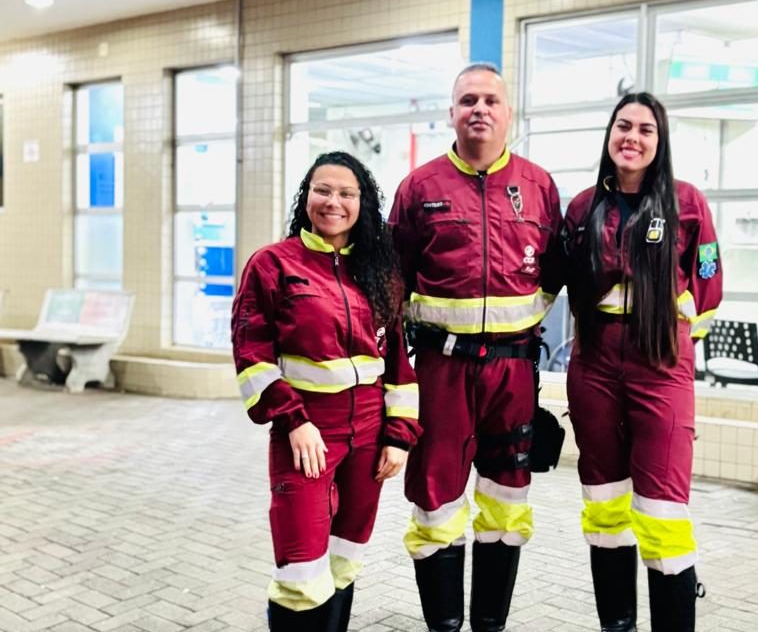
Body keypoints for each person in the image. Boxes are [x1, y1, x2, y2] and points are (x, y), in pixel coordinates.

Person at [388, 63, 562, 632]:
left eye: (490, 100)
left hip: (513, 373)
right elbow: (392, 284)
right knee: (435, 496)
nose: (479, 109)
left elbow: (556, 272)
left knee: (507, 498)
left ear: (509, 113)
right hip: (441, 369)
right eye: (468, 101)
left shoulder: (539, 186)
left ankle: (490, 624)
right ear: (452, 113)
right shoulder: (419, 189)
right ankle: (443, 625)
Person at [231, 151, 421, 631]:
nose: (333, 202)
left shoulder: (380, 272)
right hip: (309, 434)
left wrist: (399, 434)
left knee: (343, 559)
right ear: (306, 196)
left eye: (346, 193)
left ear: (363, 203)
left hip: (370, 436)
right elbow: (252, 355)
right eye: (323, 190)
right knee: (300, 569)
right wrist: (293, 422)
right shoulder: (272, 264)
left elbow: (395, 359)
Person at [562, 92, 722, 632]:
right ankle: (617, 626)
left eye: (645, 129)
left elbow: (709, 276)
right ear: (610, 134)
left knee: (661, 508)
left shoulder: (688, 202)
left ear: (660, 140)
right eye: (623, 125)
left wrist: (676, 329)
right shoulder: (582, 207)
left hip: (661, 362)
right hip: (595, 363)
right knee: (605, 504)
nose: (632, 137)